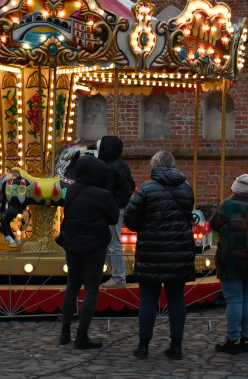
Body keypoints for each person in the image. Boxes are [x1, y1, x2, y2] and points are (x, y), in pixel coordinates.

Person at [123, 150, 196, 361]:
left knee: (148, 299)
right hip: (179, 249)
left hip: (151, 250)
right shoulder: (186, 188)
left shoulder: (146, 189)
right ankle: (177, 346)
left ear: (154, 166)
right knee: (176, 298)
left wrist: (145, 226)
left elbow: (130, 218)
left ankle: (143, 345)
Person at [57, 154, 119, 350]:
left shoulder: (72, 190)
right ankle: (82, 335)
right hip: (95, 246)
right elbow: (113, 218)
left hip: (73, 243)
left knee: (72, 286)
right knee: (91, 288)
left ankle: (65, 331)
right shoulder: (103, 195)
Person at [212, 174, 248, 354]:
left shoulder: (227, 205)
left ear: (235, 189)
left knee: (234, 299)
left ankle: (232, 339)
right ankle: (246, 339)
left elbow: (213, 223)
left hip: (230, 258)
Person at [96, 136, 136, 287]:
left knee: (113, 242)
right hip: (120, 206)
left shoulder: (109, 168)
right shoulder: (121, 165)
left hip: (114, 208)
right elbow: (130, 184)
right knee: (108, 242)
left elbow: (107, 191)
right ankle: (117, 273)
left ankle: (119, 277)